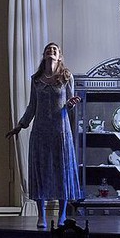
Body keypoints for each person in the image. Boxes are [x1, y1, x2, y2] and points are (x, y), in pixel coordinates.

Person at [7, 42, 83, 228]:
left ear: (59, 56)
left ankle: (62, 215)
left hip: (60, 132)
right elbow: (32, 106)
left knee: (62, 172)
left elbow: (69, 103)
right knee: (40, 172)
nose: (51, 51)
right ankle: (41, 216)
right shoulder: (36, 79)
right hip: (40, 132)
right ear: (44, 54)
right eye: (49, 49)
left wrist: (71, 104)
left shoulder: (66, 77)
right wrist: (20, 125)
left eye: (55, 49)